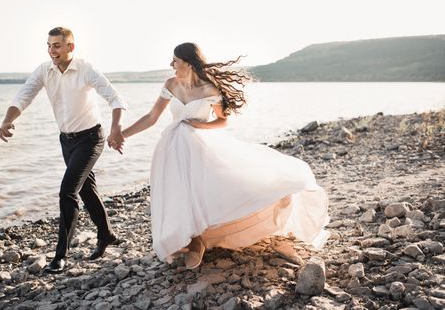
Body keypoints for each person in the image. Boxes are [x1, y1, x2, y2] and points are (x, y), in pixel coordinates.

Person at [121, 42, 329, 269]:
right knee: (178, 192)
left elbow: (222, 120)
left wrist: (200, 127)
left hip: (198, 144)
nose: (171, 64)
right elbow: (152, 116)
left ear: (188, 63)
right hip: (171, 146)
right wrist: (123, 134)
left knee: (207, 190)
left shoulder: (210, 89)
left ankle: (199, 239)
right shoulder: (171, 84)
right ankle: (192, 239)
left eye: (175, 60)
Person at [0, 27, 127, 273]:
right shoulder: (44, 70)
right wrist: (7, 120)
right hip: (66, 141)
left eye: (56, 45)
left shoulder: (86, 68)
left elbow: (115, 98)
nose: (51, 50)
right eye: (48, 45)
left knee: (67, 191)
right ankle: (106, 233)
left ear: (70, 47)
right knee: (87, 190)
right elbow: (23, 96)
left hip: (91, 138)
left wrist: (116, 129)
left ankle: (60, 255)